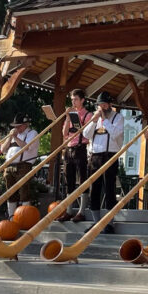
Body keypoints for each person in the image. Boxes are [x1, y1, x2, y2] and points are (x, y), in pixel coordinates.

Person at [81, 92, 125, 233]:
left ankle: (110, 223)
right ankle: (96, 222)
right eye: (100, 105)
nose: (101, 107)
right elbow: (85, 135)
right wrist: (94, 121)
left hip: (110, 156)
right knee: (95, 190)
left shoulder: (118, 118)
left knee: (110, 190)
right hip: (95, 157)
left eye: (104, 104)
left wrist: (104, 119)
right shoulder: (95, 118)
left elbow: (115, 133)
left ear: (110, 105)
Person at [59, 88, 92, 221]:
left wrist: (76, 118)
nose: (73, 102)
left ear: (82, 100)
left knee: (82, 179)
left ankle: (82, 211)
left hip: (81, 148)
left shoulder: (88, 114)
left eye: (76, 99)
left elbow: (86, 133)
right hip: (69, 149)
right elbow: (64, 133)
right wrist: (68, 118)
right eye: (72, 99)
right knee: (69, 180)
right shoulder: (71, 114)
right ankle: (69, 210)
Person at [0, 115, 39, 219]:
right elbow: (3, 149)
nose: (16, 128)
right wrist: (10, 138)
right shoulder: (13, 135)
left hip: (23, 165)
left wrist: (15, 137)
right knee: (10, 193)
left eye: (18, 126)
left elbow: (27, 147)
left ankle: (25, 218)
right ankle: (11, 217)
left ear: (25, 125)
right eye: (15, 126)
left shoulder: (32, 133)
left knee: (24, 192)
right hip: (9, 166)